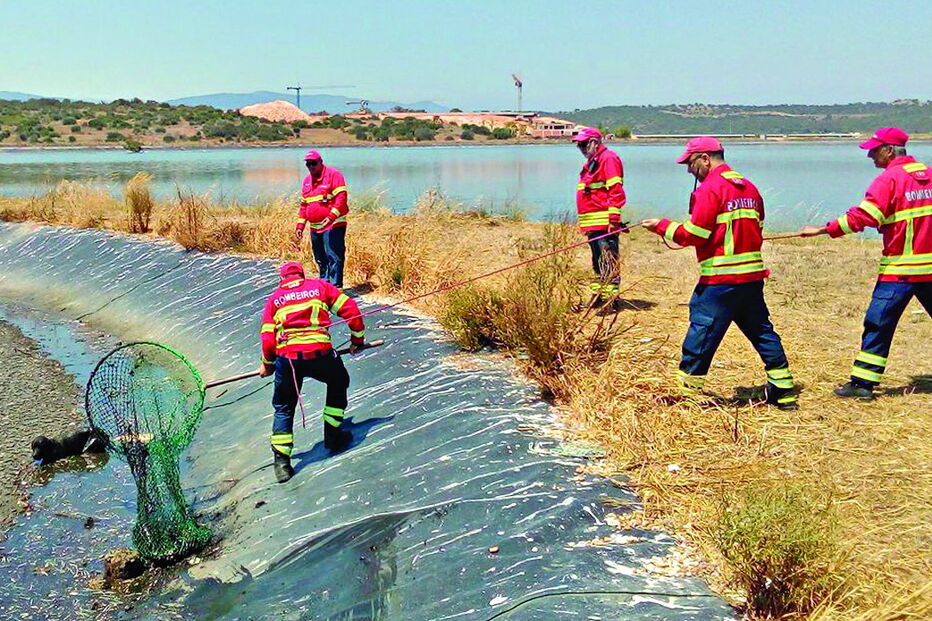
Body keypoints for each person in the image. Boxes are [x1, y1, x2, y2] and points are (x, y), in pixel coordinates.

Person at [641, 136, 797, 409]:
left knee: (701, 334)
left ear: (704, 158)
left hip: (720, 280)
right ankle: (784, 391)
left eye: (690, 163)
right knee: (762, 331)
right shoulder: (749, 187)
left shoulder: (711, 189)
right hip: (751, 278)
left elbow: (695, 235)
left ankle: (687, 395)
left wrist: (662, 226)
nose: (689, 170)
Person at [801, 127, 931, 400]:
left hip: (901, 270)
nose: (871, 156)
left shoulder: (889, 180)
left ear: (890, 150)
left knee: (878, 323)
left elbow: (861, 218)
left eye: (874, 150)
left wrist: (823, 230)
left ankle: (862, 384)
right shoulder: (928, 175)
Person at [258, 261, 366, 483]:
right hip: (320, 355)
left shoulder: (274, 300)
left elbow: (268, 339)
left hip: (288, 360)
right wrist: (357, 340)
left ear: (282, 279)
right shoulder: (320, 287)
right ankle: (333, 435)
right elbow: (351, 311)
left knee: (284, 406)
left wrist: (267, 365)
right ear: (302, 275)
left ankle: (282, 463)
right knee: (338, 381)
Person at [572, 127, 626, 304]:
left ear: (594, 142)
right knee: (597, 262)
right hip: (592, 224)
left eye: (583, 144)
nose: (580, 148)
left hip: (604, 223)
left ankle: (611, 300)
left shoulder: (608, 158)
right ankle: (599, 297)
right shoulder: (593, 161)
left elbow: (616, 191)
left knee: (608, 260)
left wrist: (613, 220)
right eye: (578, 145)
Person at [295, 149, 350, 288]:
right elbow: (304, 206)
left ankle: (336, 288)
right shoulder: (307, 181)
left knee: (333, 255)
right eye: (308, 164)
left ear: (320, 162)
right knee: (320, 257)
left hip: (333, 224)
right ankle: (324, 285)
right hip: (315, 227)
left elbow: (341, 198)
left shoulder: (333, 175)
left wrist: (331, 216)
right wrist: (300, 226)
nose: (311, 167)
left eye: (313, 163)